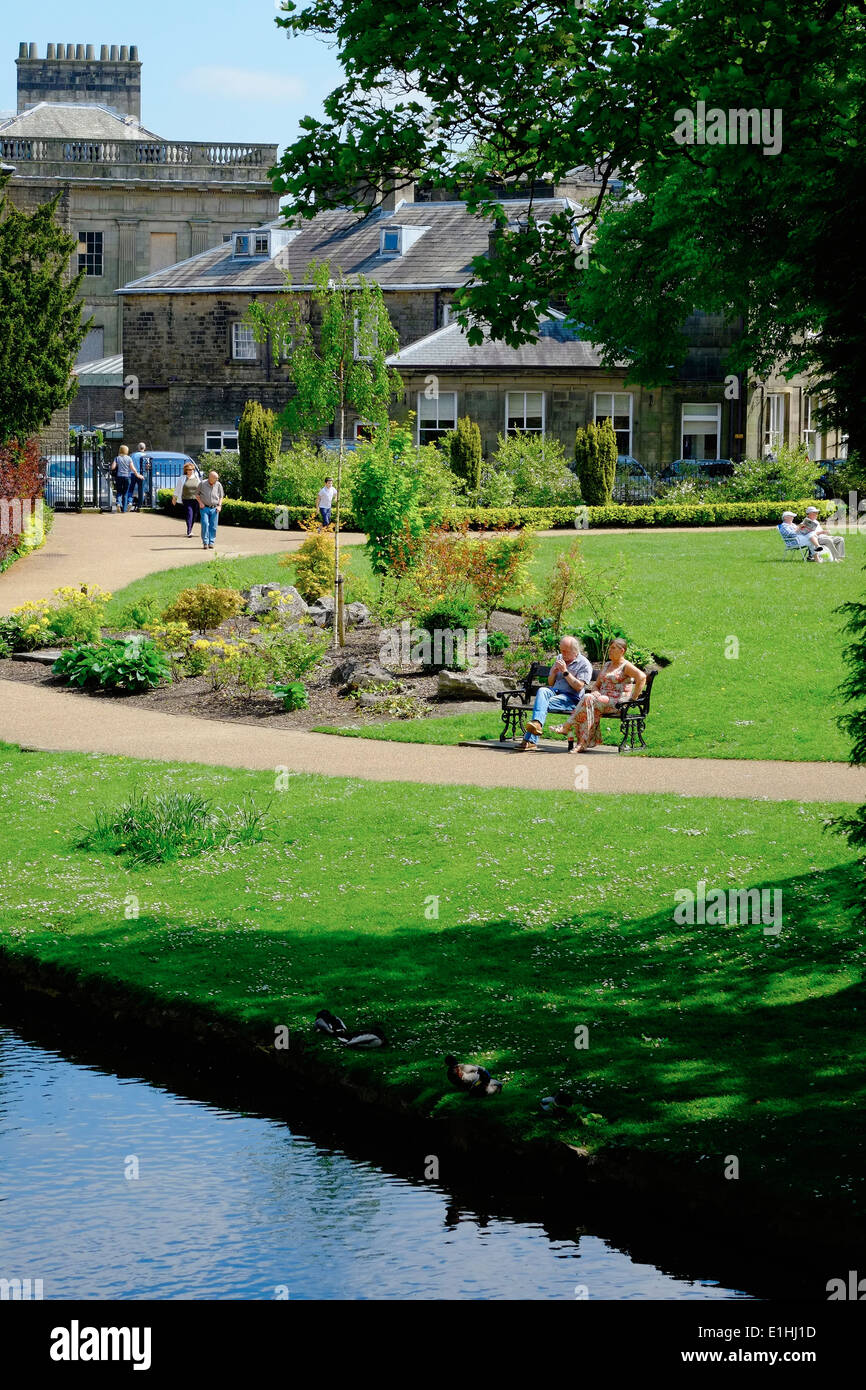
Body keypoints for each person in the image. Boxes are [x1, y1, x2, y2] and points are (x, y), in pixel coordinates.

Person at [556, 637, 646, 752]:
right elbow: (596, 685)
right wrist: (595, 691)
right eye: (610, 648)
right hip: (600, 701)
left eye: (613, 648)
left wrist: (633, 699)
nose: (610, 651)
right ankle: (581, 744)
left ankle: (567, 727)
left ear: (622, 651)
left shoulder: (626, 666)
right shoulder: (607, 665)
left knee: (588, 700)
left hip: (617, 703)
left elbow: (642, 677)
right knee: (589, 703)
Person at [519, 635, 592, 751]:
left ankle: (530, 739)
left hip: (571, 698)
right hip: (555, 692)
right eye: (561, 650)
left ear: (575, 651)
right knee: (542, 690)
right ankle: (536, 725)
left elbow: (578, 687)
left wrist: (565, 672)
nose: (562, 654)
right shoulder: (560, 658)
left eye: (565, 651)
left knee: (541, 704)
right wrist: (552, 673)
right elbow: (550, 683)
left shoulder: (584, 664)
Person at [172, 461, 203, 537]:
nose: (190, 471)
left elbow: (200, 488)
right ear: (186, 470)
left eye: (191, 469)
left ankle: (191, 528)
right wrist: (174, 498)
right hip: (186, 499)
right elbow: (178, 488)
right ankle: (189, 531)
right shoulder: (182, 478)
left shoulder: (196, 477)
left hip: (196, 499)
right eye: (188, 469)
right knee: (189, 514)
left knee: (194, 515)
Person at [198, 469, 224, 549]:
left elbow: (221, 496)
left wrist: (219, 505)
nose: (217, 480)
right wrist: (200, 503)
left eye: (217, 478)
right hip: (204, 507)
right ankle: (205, 542)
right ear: (210, 477)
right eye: (215, 478)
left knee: (213, 526)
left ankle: (211, 542)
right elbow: (196, 494)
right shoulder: (202, 484)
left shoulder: (218, 484)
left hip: (214, 508)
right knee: (205, 524)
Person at [110, 445, 135, 512]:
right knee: (125, 493)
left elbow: (112, 467)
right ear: (127, 451)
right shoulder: (129, 458)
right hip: (127, 477)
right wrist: (136, 474)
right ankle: (124, 509)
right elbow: (132, 468)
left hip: (119, 477)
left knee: (119, 492)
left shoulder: (117, 458)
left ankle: (118, 503)